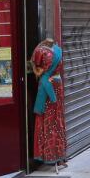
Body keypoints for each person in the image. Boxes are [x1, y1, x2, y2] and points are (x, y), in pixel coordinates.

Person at [31, 39, 67, 169]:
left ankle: (49, 154)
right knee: (57, 123)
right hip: (57, 90)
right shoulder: (57, 51)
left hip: (48, 94)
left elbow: (38, 70)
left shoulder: (43, 53)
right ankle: (59, 155)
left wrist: (36, 69)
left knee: (47, 123)